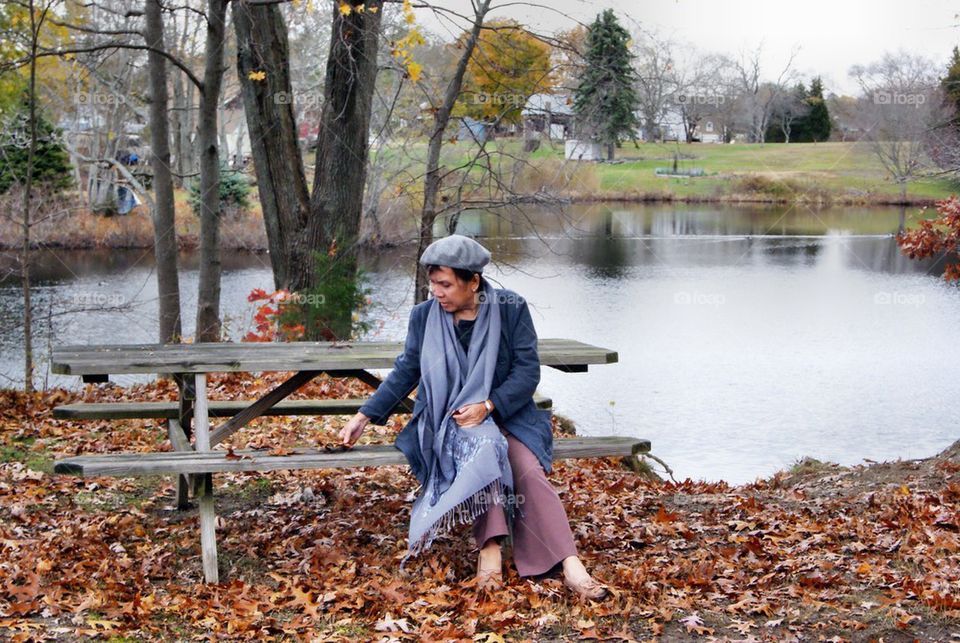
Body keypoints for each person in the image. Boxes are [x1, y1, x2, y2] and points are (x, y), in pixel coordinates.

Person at [339, 234, 608, 600]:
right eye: (432, 283)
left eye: (445, 284)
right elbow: (407, 371)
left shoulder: (510, 308)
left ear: (473, 282)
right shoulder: (424, 317)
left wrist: (490, 405)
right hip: (450, 420)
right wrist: (364, 415)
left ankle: (570, 563)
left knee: (527, 471)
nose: (436, 292)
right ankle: (490, 550)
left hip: (508, 416)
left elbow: (526, 373)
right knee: (485, 449)